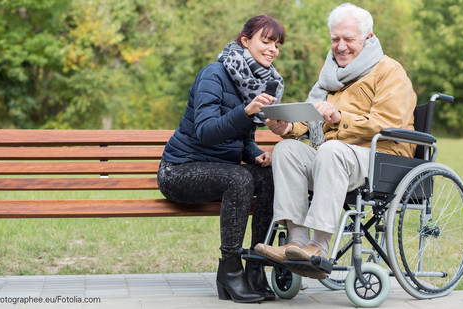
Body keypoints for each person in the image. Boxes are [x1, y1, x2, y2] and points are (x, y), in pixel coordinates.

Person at [256, 3, 417, 279]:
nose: (341, 47)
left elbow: (388, 123)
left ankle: (318, 246)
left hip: (382, 159)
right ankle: (296, 243)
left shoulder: (389, 71)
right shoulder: (330, 76)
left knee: (331, 149)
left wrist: (339, 116)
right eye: (335, 39)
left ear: (367, 38)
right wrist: (287, 127)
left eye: (348, 39)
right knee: (286, 150)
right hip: (337, 157)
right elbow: (310, 119)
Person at [157, 15, 285, 302]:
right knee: (238, 178)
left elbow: (244, 142)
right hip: (180, 170)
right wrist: (246, 112)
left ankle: (256, 265)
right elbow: (204, 132)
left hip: (219, 171)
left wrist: (257, 156)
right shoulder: (213, 74)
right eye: (265, 41)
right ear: (245, 41)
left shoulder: (259, 83)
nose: (272, 49)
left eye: (276, 45)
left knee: (267, 176)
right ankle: (229, 270)